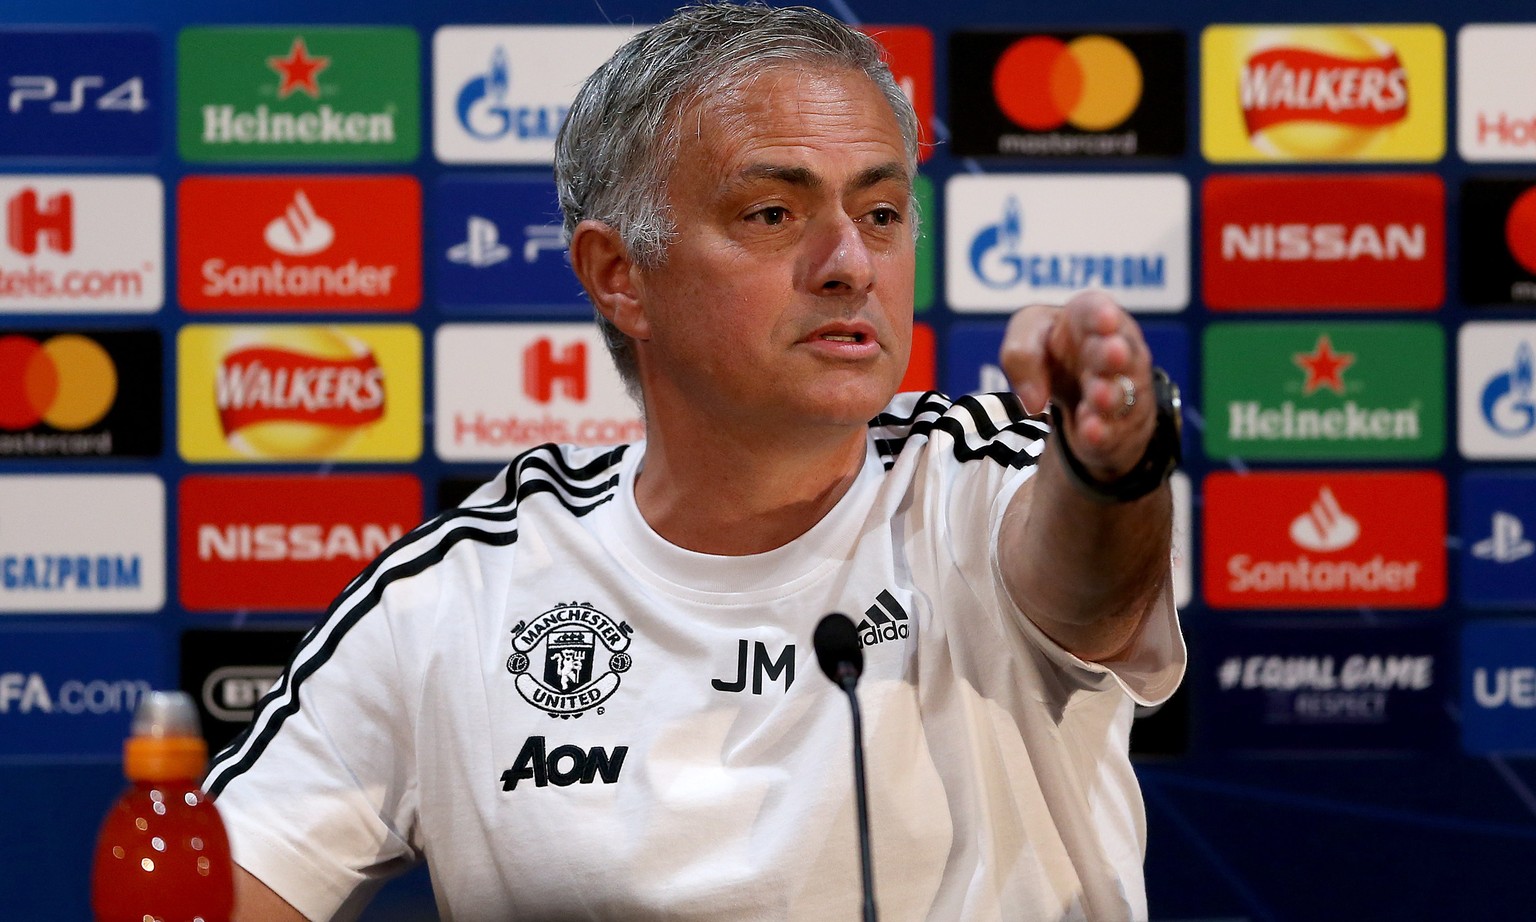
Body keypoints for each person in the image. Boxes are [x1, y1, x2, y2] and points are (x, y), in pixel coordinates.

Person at [208, 3, 1185, 920]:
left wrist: (1113, 463)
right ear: (619, 275)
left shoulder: (979, 482)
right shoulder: (464, 588)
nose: (850, 261)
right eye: (773, 214)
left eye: (882, 214)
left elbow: (1089, 585)